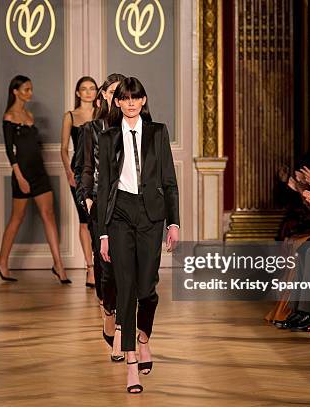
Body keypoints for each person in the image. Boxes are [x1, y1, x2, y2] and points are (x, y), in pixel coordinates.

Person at [97, 77, 180, 393]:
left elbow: (169, 181)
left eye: (136, 97)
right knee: (127, 289)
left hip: (150, 216)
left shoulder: (158, 133)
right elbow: (104, 186)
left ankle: (144, 337)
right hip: (119, 215)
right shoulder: (108, 138)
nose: (130, 103)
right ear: (117, 103)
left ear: (143, 101)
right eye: (125, 98)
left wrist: (173, 223)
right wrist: (103, 233)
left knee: (147, 287)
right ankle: (131, 363)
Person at [0, 75, 70, 283]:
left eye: (31, 89)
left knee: (49, 214)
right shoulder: (8, 117)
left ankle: (58, 265)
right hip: (22, 174)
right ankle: (1, 262)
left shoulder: (29, 115)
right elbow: (11, 152)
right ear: (15, 91)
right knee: (17, 218)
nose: (30, 93)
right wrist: (19, 177)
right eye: (26, 89)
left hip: (39, 172)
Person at [75, 73, 126, 361]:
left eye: (123, 92)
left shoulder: (133, 126)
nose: (119, 97)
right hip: (98, 205)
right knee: (105, 268)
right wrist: (89, 201)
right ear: (103, 95)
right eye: (114, 92)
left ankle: (121, 330)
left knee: (126, 269)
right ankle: (108, 309)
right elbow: (84, 168)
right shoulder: (91, 129)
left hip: (127, 204)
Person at [60, 76, 97, 287]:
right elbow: (63, 149)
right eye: (84, 89)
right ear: (78, 93)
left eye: (92, 88)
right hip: (79, 172)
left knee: (99, 220)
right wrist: (69, 173)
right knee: (84, 220)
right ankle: (90, 269)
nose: (88, 92)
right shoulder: (70, 116)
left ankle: (103, 267)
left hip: (100, 172)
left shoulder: (103, 114)